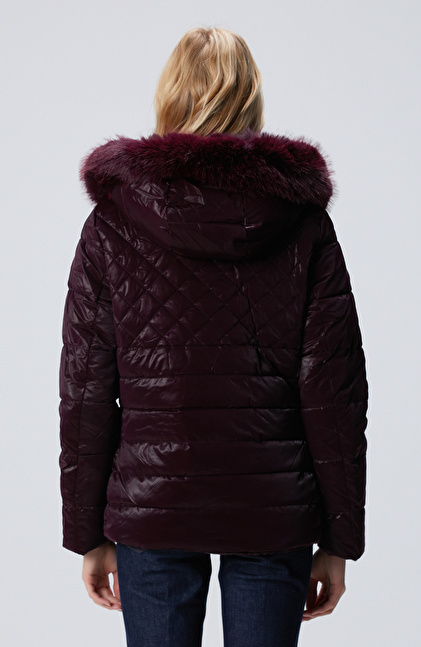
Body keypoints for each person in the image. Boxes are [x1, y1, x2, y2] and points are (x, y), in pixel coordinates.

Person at [58, 25, 369, 647]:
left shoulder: (114, 221)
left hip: (152, 504)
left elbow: (85, 389)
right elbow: (333, 393)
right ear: (250, 97)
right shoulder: (303, 223)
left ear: (169, 94)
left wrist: (87, 530)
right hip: (271, 509)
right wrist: (339, 540)